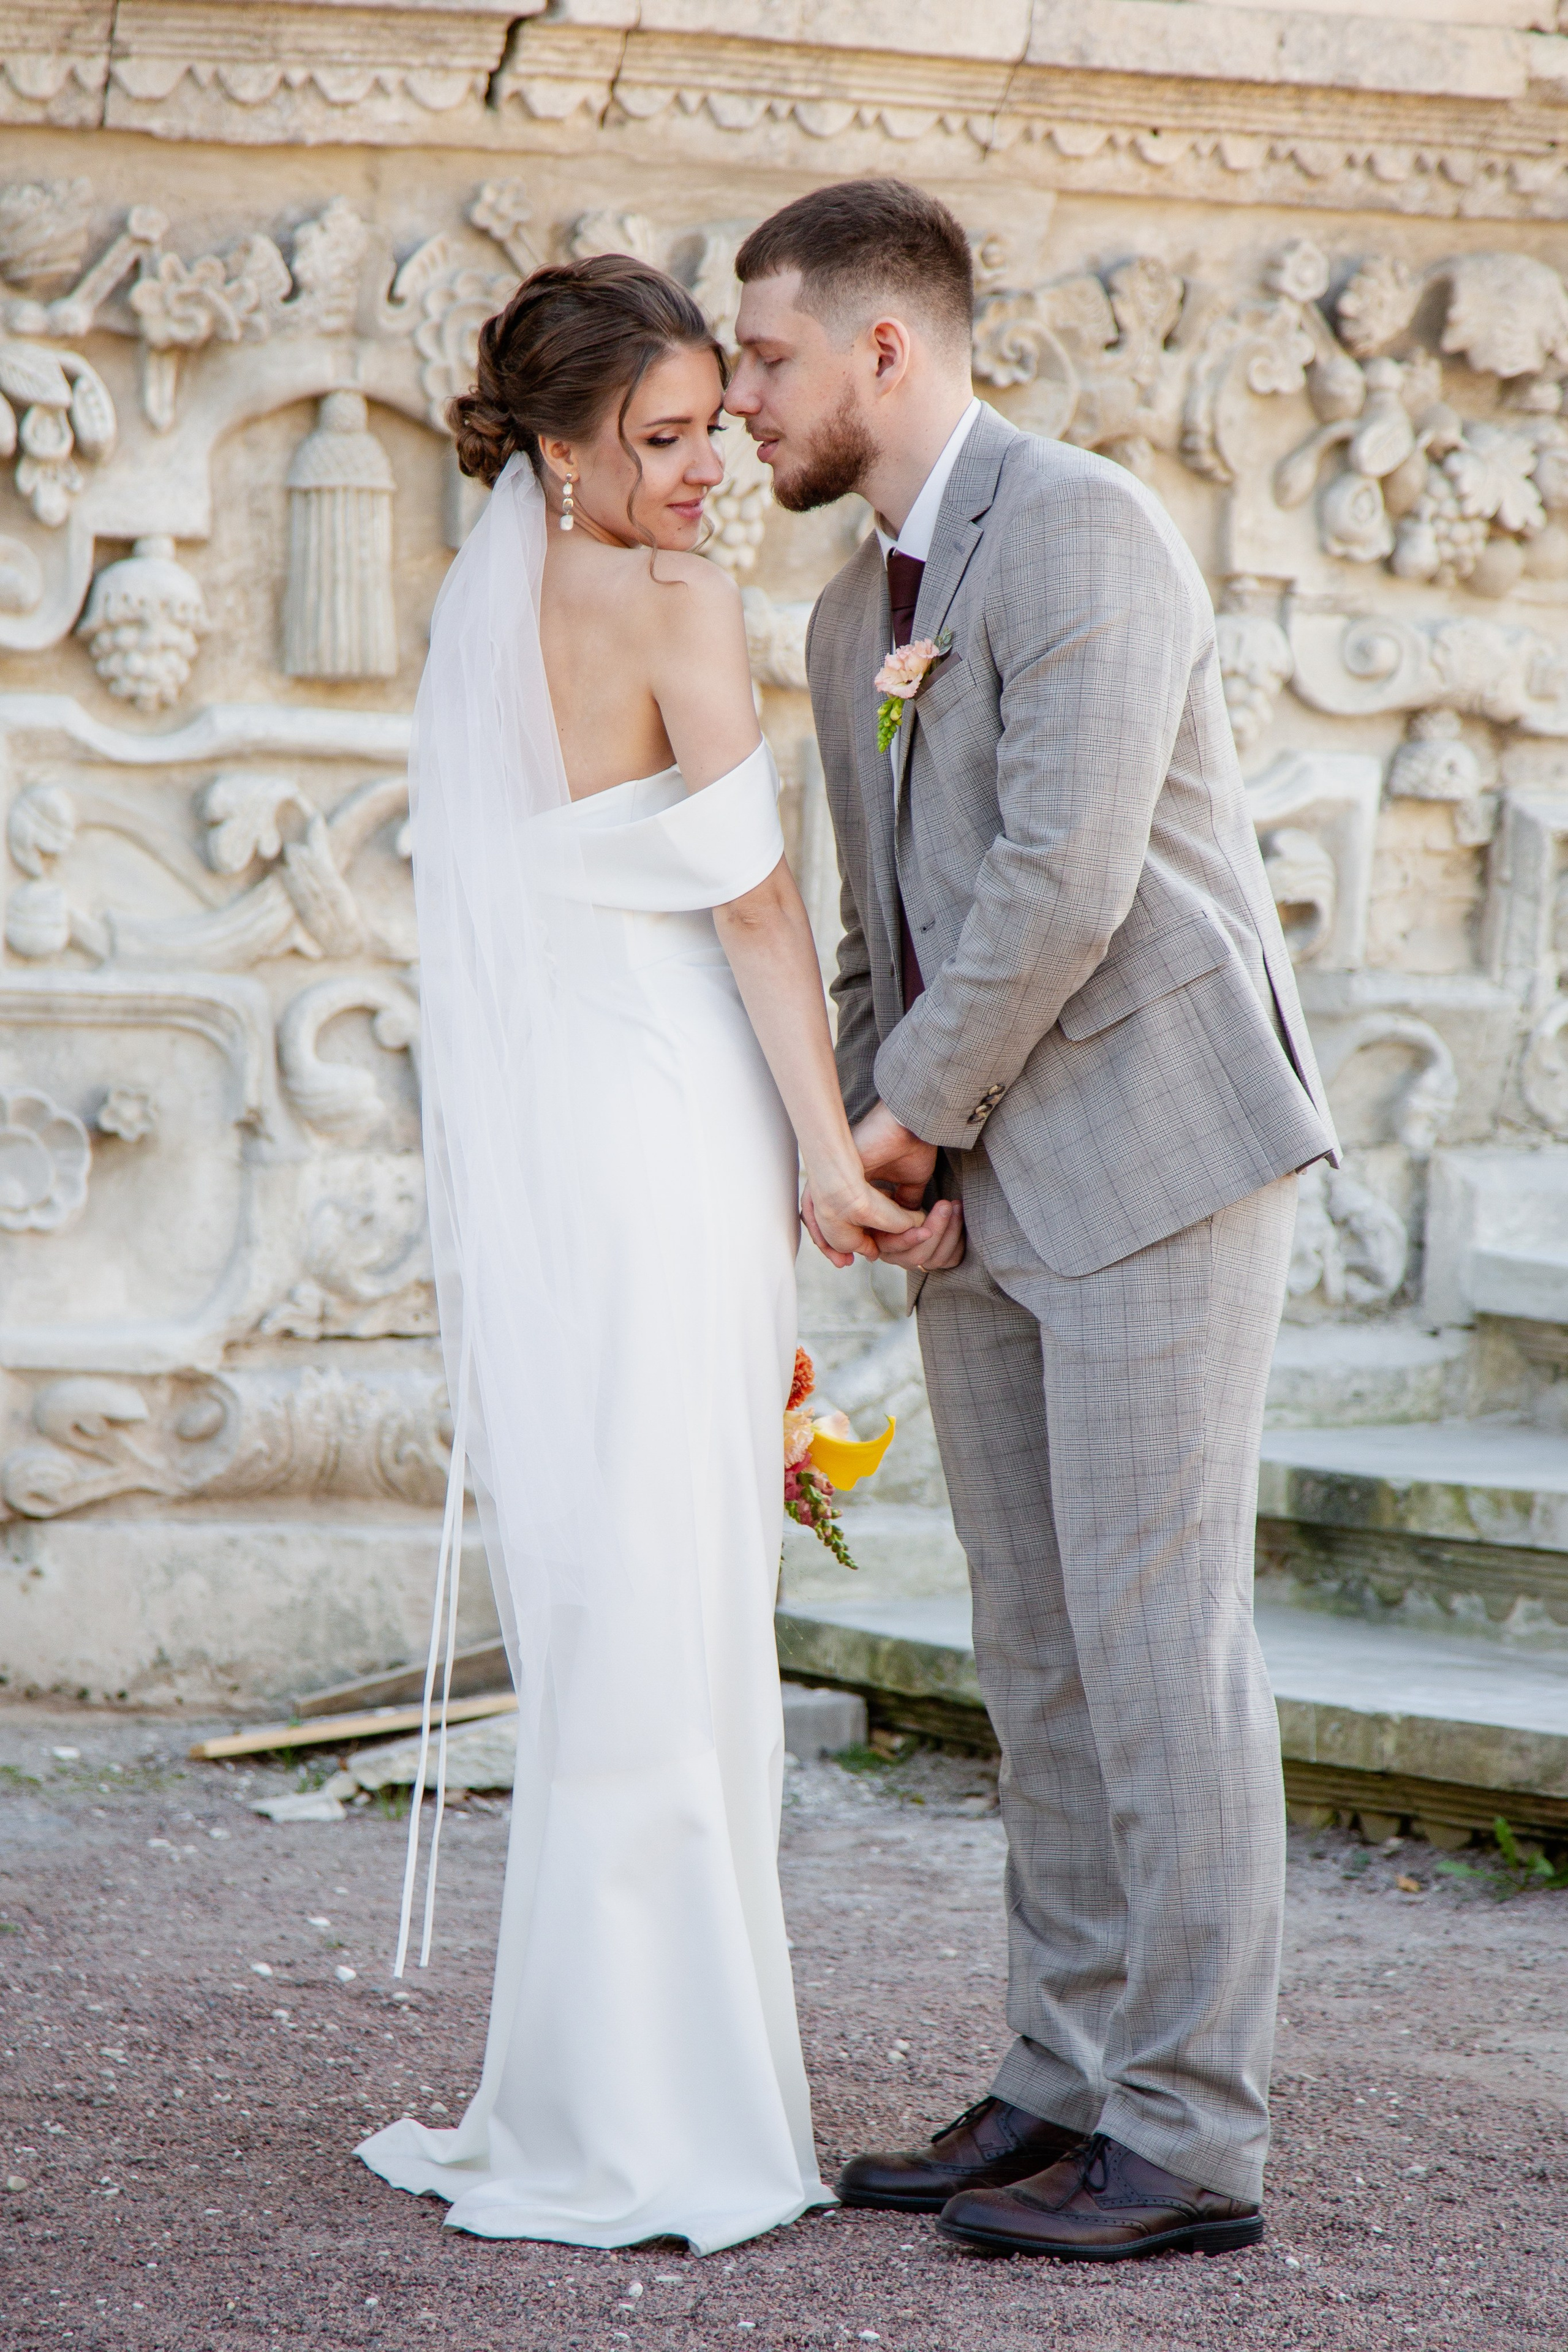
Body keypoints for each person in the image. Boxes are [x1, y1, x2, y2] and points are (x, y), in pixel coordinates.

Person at [726, 179, 1338, 2263]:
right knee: (1039, 1645)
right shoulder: (838, 617)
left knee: (1162, 1643)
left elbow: (1063, 889)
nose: (738, 403)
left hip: (1160, 1153)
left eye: (768, 357)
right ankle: (1059, 2080)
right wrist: (880, 1150)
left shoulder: (1083, 527)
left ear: (886, 352)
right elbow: (887, 922)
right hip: (979, 1187)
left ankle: (1189, 2134)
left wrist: (889, 1129)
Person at [357, 254, 933, 2253]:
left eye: (715, 424)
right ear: (560, 443)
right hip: (679, 1129)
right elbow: (761, 922)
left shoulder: (478, 601)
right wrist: (828, 1162)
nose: (707, 470)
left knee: (622, 1590)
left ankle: (585, 2088)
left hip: (564, 1145)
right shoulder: (681, 605)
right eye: (662, 438)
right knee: (679, 1588)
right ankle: (669, 2111)